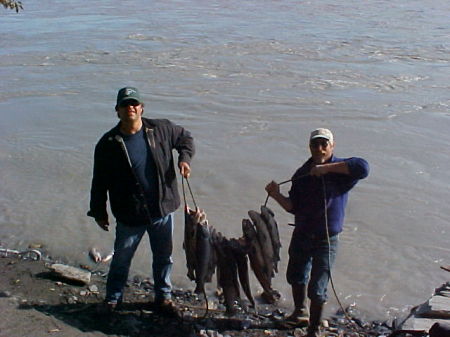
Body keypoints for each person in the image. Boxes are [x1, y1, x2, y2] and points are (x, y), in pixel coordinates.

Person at [87, 87, 194, 315]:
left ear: (142, 107)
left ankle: (163, 298)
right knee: (121, 260)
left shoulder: (161, 129)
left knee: (164, 258)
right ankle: (113, 299)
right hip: (129, 215)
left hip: (162, 211)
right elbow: (99, 181)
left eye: (134, 104)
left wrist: (184, 159)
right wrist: (98, 211)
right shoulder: (108, 143)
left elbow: (185, 138)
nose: (130, 108)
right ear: (117, 111)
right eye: (125, 105)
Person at [265, 128, 369, 337]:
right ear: (310, 147)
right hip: (302, 233)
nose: (320, 148)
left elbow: (363, 168)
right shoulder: (302, 174)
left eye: (324, 144)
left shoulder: (342, 171)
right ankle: (299, 313)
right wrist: (275, 195)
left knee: (318, 287)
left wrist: (326, 168)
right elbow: (292, 206)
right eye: (315, 144)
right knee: (296, 276)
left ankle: (313, 329)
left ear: (332, 146)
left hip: (326, 239)